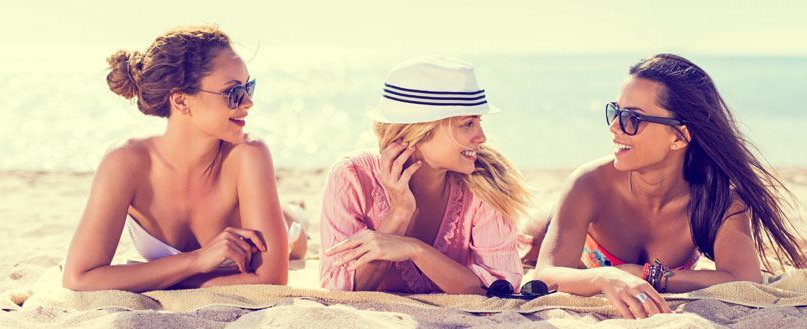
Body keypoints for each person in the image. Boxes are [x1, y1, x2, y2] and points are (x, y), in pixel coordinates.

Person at [527, 54, 807, 319]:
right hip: (550, 228)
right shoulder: (589, 183)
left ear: (679, 136)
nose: (614, 126)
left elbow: (743, 278)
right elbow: (546, 274)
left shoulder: (718, 201)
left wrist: (644, 274)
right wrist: (608, 276)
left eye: (632, 119)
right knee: (522, 244)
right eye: (615, 111)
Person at [62, 25, 304, 292]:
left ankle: (292, 209)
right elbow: (78, 278)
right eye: (233, 93)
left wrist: (142, 278)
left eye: (249, 87)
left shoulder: (248, 154)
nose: (248, 102)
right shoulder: (126, 162)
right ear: (180, 101)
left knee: (297, 234)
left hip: (287, 230)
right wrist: (196, 261)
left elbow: (271, 280)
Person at [319, 57, 530, 294]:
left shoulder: (485, 182)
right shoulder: (352, 177)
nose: (482, 137)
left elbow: (499, 288)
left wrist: (415, 249)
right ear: (418, 131)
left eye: (479, 122)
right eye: (468, 124)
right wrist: (399, 213)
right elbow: (341, 289)